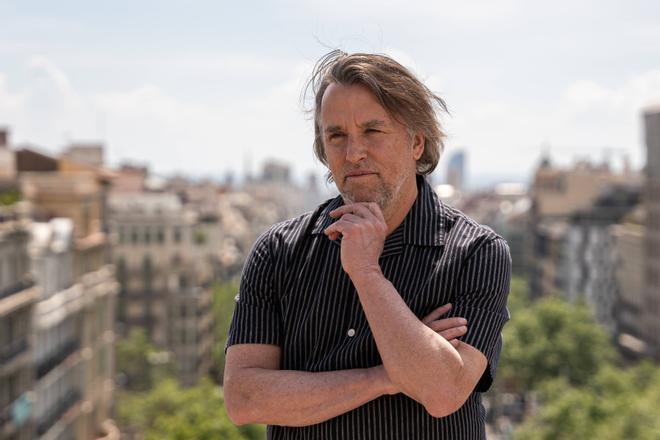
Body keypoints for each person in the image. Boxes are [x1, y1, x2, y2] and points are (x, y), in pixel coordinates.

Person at [224, 50, 511, 440]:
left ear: (416, 143)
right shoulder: (278, 251)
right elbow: (245, 399)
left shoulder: (476, 253)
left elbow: (443, 391)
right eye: (336, 135)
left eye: (373, 131)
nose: (353, 152)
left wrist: (367, 273)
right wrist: (383, 376)